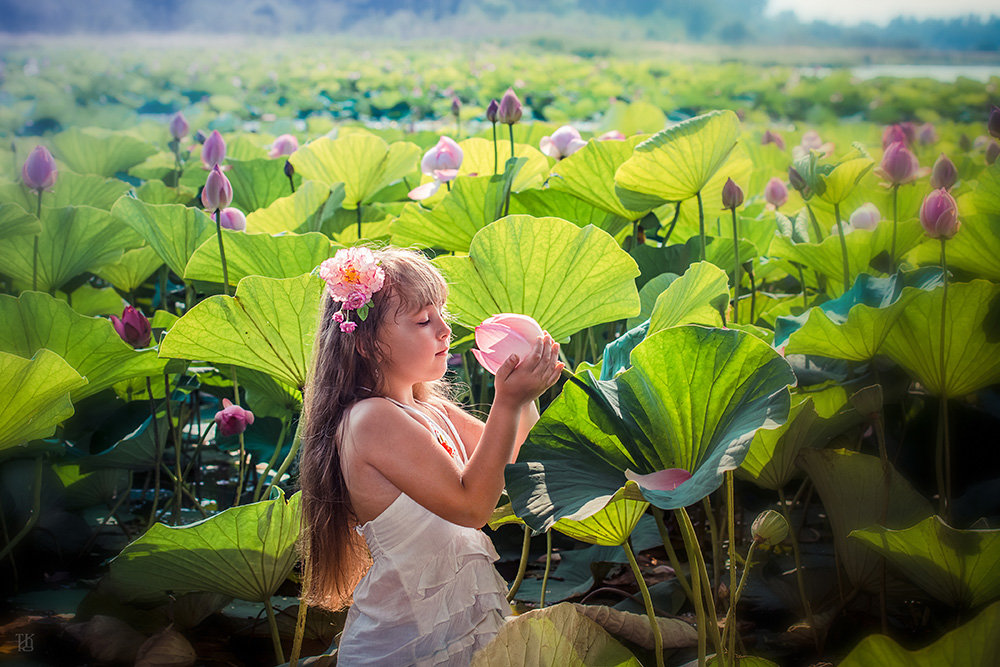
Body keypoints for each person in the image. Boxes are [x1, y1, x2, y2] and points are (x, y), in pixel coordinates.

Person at [297, 246, 563, 665]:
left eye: (441, 312)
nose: (444, 329)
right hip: (403, 642)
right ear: (366, 345)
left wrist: (525, 387)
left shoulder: (431, 409)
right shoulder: (370, 420)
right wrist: (508, 402)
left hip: (457, 623)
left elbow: (516, 455)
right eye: (423, 320)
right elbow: (472, 506)